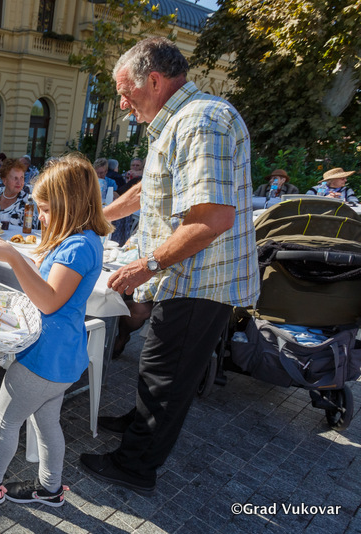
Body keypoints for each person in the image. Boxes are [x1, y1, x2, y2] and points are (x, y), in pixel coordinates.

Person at [79, 37, 259, 496]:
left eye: (125, 93)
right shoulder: (177, 122)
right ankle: (138, 423)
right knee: (156, 365)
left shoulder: (200, 120)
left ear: (154, 81)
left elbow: (212, 218)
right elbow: (148, 190)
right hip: (183, 275)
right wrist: (97, 217)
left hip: (201, 280)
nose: (123, 104)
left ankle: (135, 466)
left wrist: (148, 264)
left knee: (167, 375)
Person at [0, 154, 112, 507]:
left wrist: (12, 257)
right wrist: (7, 252)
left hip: (43, 357)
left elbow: (49, 300)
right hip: (64, 355)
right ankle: (50, 488)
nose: (39, 216)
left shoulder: (76, 248)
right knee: (46, 422)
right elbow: (47, 282)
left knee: (6, 420)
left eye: (44, 209)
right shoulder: (82, 240)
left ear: (68, 204)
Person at [0, 158, 35, 230]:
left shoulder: (27, 202)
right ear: (4, 180)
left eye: (22, 178)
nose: (19, 183)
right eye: (15, 178)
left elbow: (33, 229)